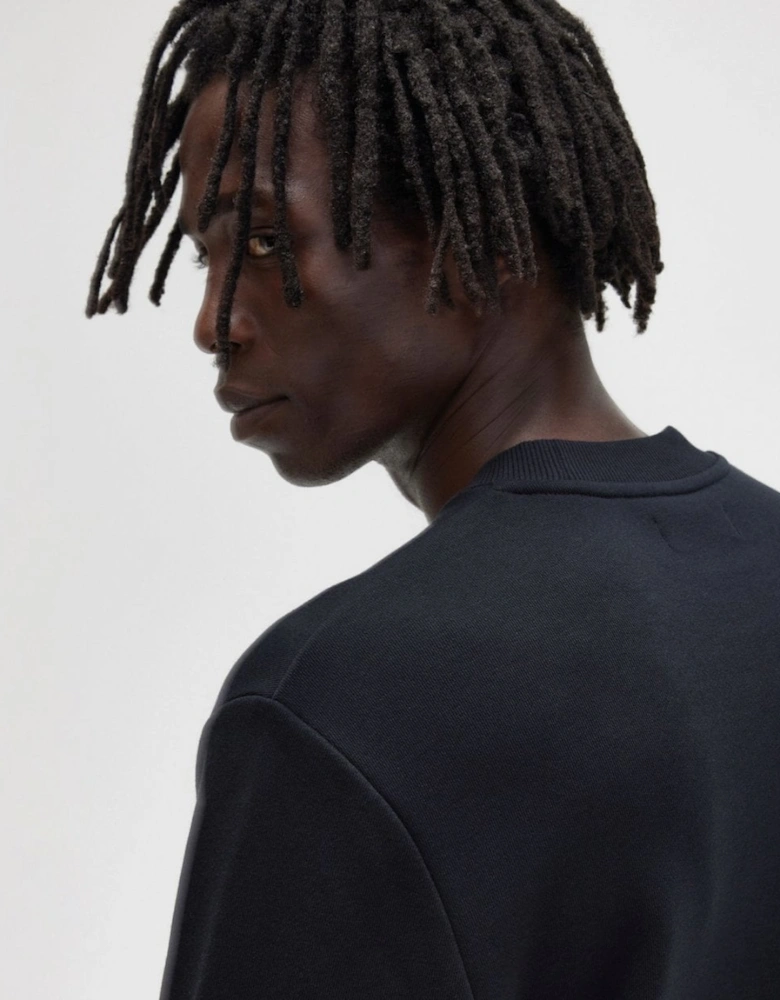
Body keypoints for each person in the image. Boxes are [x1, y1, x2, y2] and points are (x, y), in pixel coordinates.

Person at [86, 2, 780, 997]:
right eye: (207, 254)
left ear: (472, 237)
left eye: (268, 242)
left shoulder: (336, 705)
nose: (212, 321)